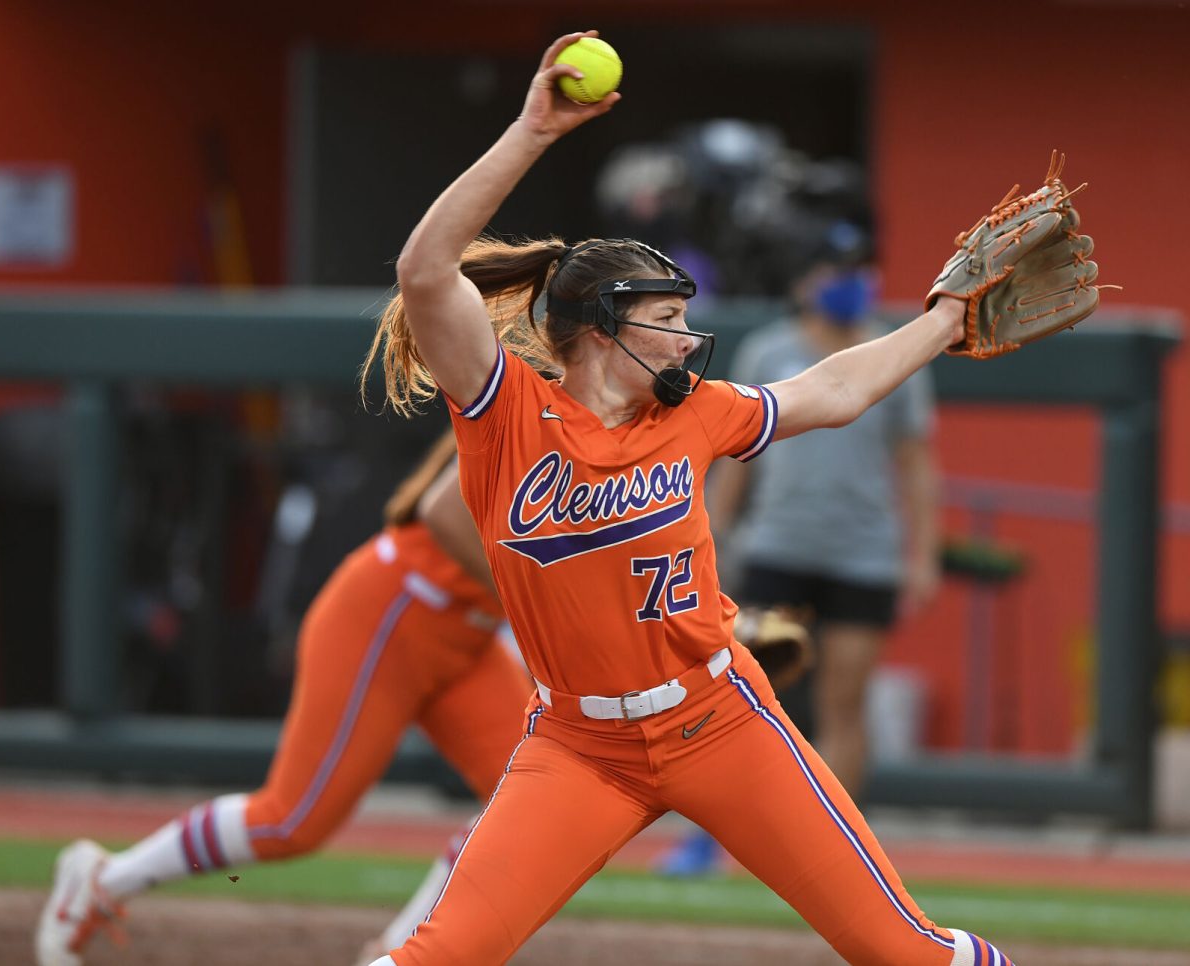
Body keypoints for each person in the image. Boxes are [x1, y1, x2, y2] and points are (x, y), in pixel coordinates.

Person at [358, 30, 1014, 966]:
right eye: (664, 322)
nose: (685, 339)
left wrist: (944, 320)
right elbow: (426, 272)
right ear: (596, 332)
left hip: (720, 724)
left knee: (903, 952)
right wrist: (533, 132)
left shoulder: (699, 413)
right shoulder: (508, 414)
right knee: (436, 955)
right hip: (579, 746)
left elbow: (834, 390)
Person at [33, 429, 534, 966]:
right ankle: (104, 879)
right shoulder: (548, 399)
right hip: (394, 613)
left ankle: (402, 950)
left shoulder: (628, 421)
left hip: (469, 634)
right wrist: (545, 592)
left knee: (527, 801)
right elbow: (442, 511)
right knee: (291, 822)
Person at [657, 254, 941, 875]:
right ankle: (716, 839)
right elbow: (734, 449)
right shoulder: (769, 349)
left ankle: (830, 850)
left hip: (864, 552)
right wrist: (711, 532)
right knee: (730, 698)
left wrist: (922, 554)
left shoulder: (892, 355)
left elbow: (917, 462)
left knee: (844, 699)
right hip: (777, 546)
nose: (848, 282)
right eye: (833, 268)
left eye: (860, 268)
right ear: (802, 279)